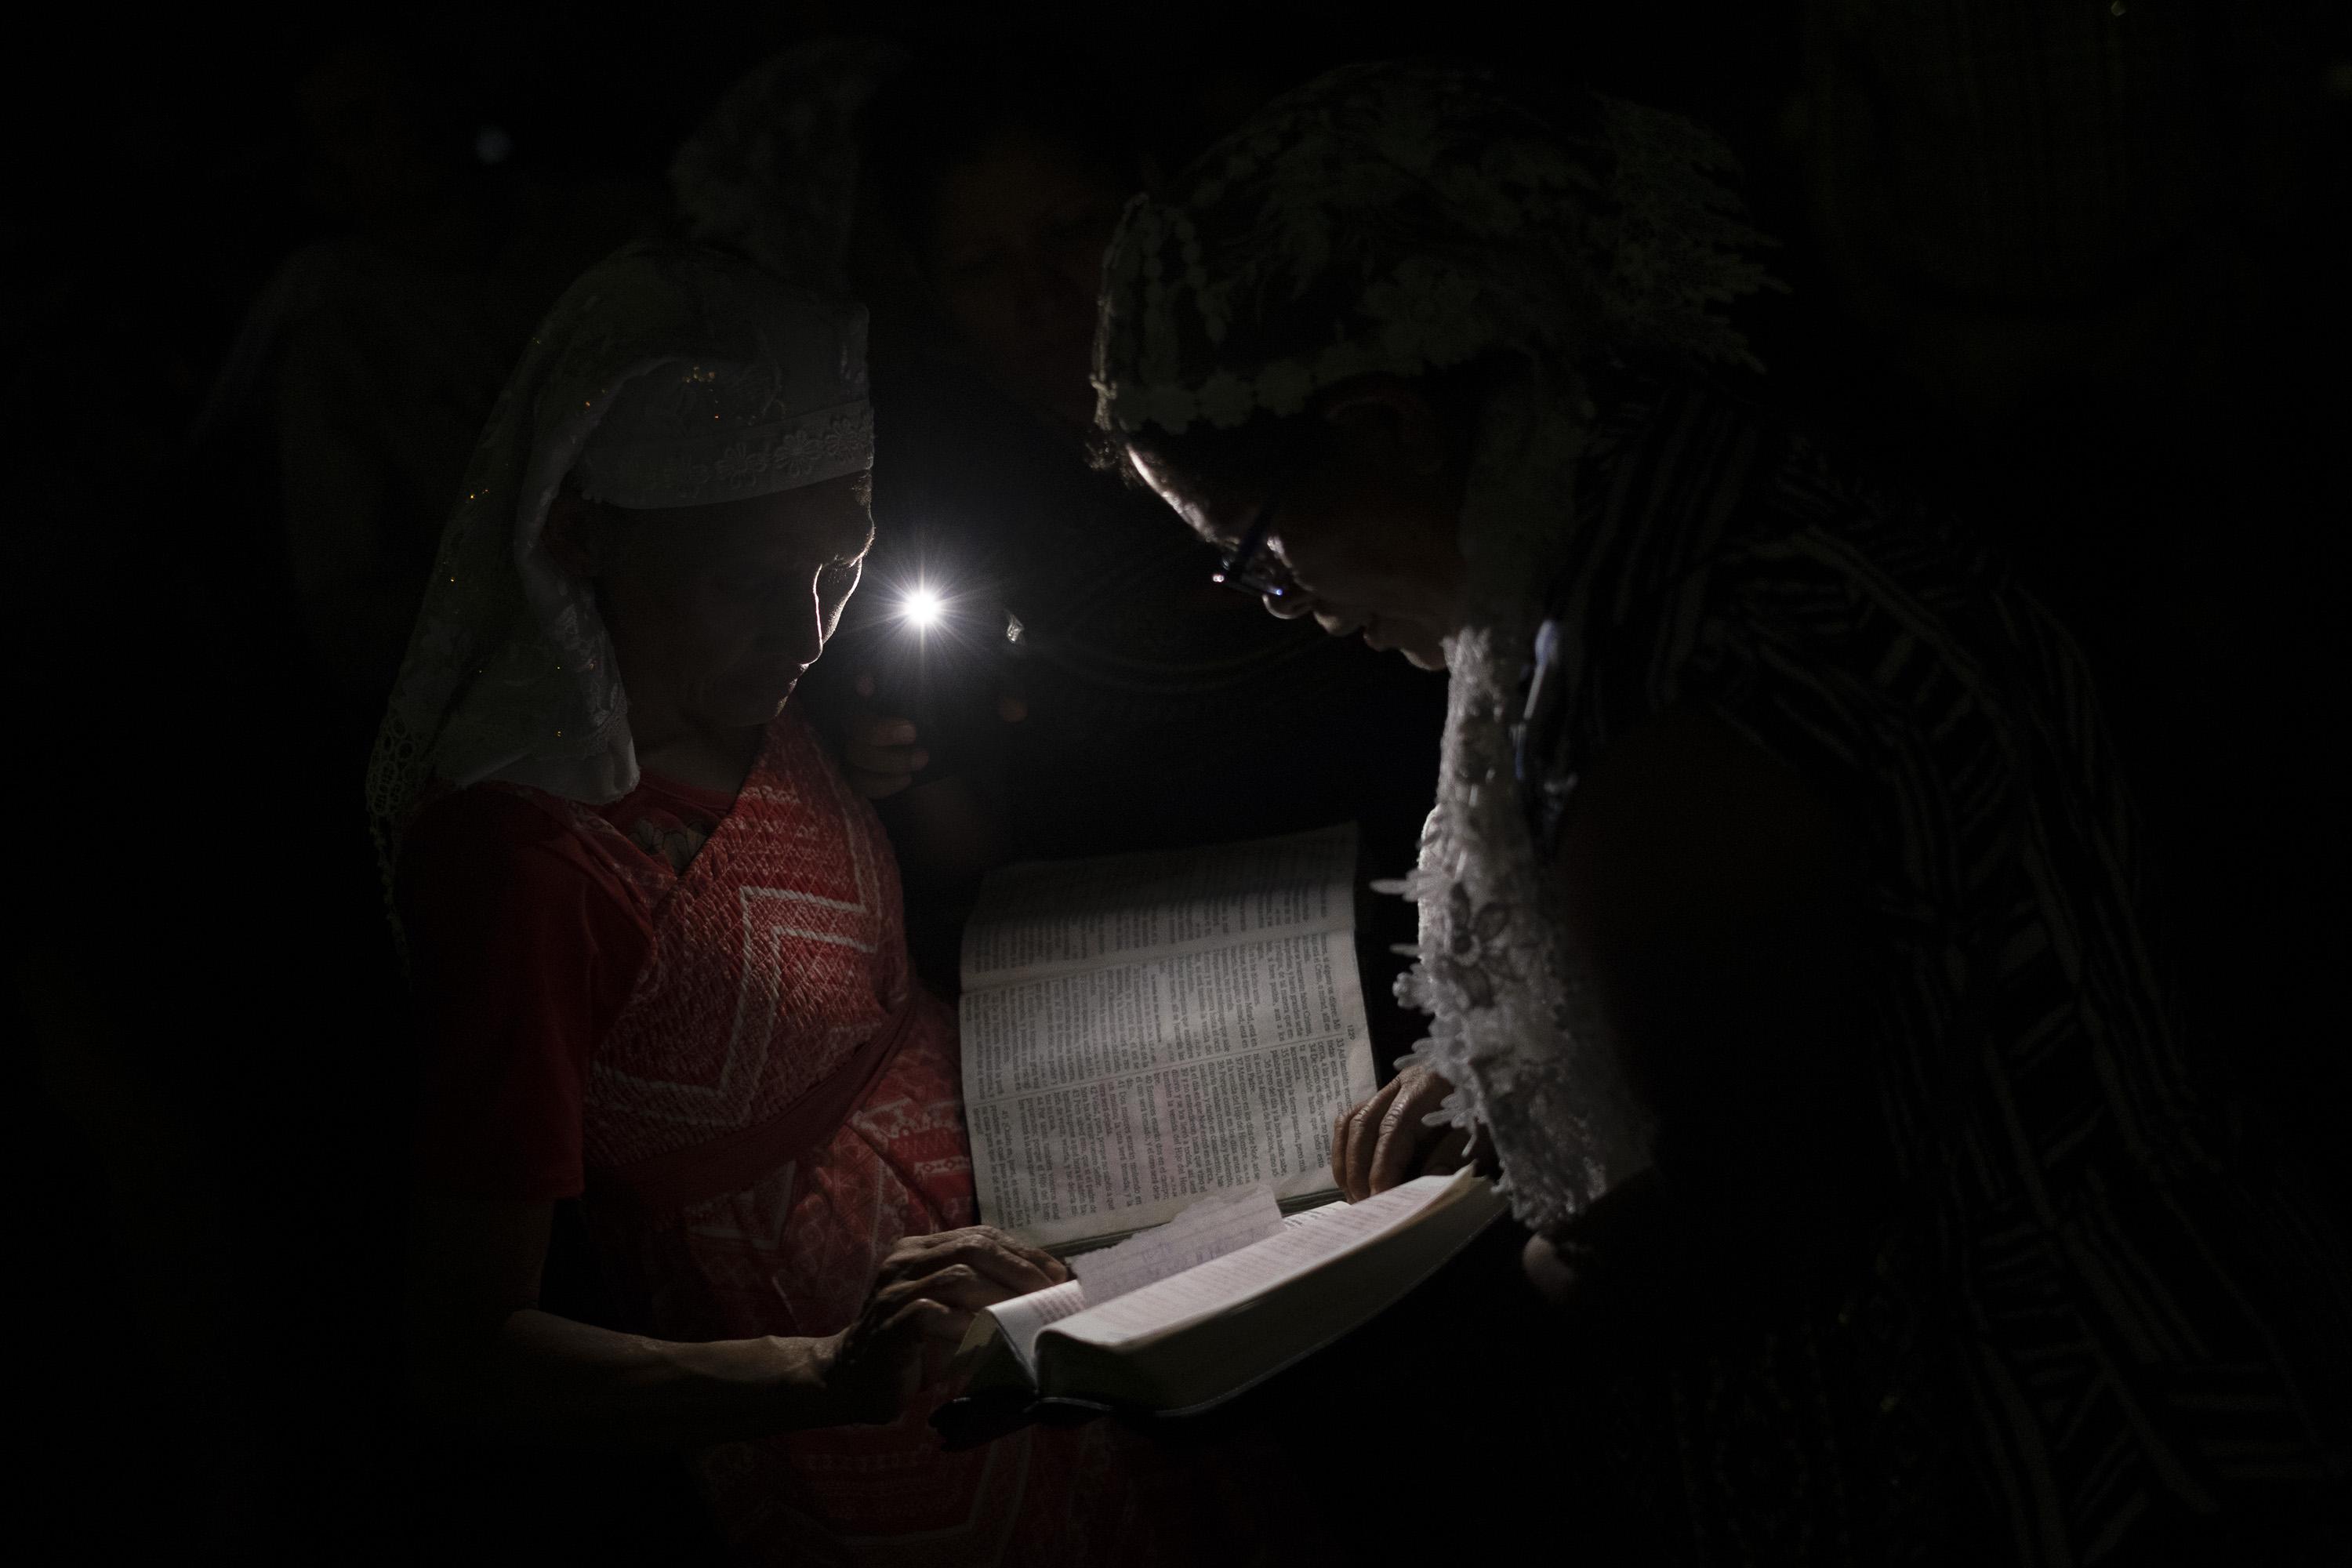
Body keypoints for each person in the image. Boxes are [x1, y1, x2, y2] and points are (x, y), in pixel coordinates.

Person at [1095, 62, 2352, 1564]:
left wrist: (1402, 1311)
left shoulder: (1668, 672)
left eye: (1259, 558)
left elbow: (1753, 1224)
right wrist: (1527, 1082)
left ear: (1387, 423)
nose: (1290, 612)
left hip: (2046, 1431)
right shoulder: (1673, 480)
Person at [371, 241, 1198, 1565]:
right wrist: (824, 1375)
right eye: (752, 582)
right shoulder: (528, 863)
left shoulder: (776, 698)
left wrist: (919, 763)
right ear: (580, 537)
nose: (810, 625)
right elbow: (469, 1350)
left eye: (844, 560)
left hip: (1048, 1249)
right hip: (874, 1423)